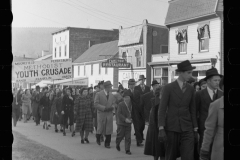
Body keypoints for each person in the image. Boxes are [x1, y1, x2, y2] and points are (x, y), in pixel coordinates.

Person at [158, 60, 198, 160]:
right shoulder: (168, 88)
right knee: (170, 156)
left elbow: (193, 110)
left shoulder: (190, 89)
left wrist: (195, 128)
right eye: (188, 72)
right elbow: (162, 109)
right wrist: (161, 128)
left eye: (191, 72)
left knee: (188, 156)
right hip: (172, 127)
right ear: (180, 73)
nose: (190, 75)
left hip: (187, 128)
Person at [195, 67, 223, 155]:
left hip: (219, 131)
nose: (218, 82)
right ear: (208, 81)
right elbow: (194, 112)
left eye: (219, 80)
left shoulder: (222, 94)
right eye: (215, 80)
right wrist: (195, 129)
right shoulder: (199, 94)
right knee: (204, 152)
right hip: (203, 129)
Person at [200, 77, 224, 160]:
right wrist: (204, 151)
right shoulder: (216, 104)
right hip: (220, 149)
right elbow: (209, 129)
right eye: (215, 80)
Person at [144, 86, 167, 160]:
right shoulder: (158, 103)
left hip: (155, 130)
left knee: (157, 152)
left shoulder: (155, 101)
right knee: (161, 152)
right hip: (158, 130)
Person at [94, 81, 116, 148]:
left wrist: (112, 107)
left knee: (108, 129)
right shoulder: (99, 94)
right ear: (106, 87)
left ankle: (107, 143)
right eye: (110, 87)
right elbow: (96, 104)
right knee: (100, 128)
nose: (111, 88)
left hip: (109, 114)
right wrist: (104, 108)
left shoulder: (112, 95)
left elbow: (114, 103)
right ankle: (98, 137)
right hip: (101, 114)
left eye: (111, 87)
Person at [127, 79, 144, 147]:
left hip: (137, 111)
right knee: (126, 128)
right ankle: (124, 140)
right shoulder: (126, 92)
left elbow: (141, 101)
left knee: (138, 126)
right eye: (131, 84)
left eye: (133, 84)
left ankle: (138, 141)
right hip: (129, 112)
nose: (132, 86)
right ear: (128, 85)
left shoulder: (137, 92)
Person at [116, 89, 133, 155]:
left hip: (129, 123)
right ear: (123, 98)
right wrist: (125, 119)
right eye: (125, 97)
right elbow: (119, 114)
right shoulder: (121, 104)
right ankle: (117, 143)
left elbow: (133, 113)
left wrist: (131, 119)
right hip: (122, 123)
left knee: (128, 137)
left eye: (128, 97)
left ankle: (127, 149)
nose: (127, 99)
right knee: (120, 136)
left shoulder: (131, 104)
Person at [134, 75, 151, 141]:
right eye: (141, 80)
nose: (142, 81)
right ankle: (140, 135)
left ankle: (140, 133)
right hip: (138, 108)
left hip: (145, 108)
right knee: (139, 123)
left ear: (144, 80)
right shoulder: (136, 88)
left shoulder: (147, 88)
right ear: (139, 81)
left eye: (143, 79)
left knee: (143, 123)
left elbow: (149, 98)